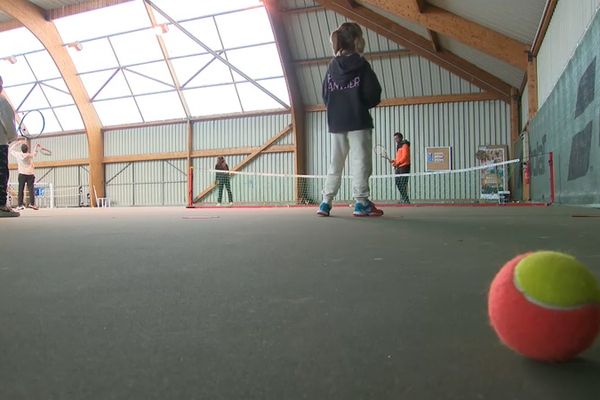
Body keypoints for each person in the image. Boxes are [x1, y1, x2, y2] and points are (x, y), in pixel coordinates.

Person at [317, 22, 383, 217]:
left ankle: (325, 202)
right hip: (358, 121)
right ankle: (361, 202)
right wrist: (359, 104)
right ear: (357, 40)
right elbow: (373, 93)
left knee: (335, 163)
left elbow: (325, 95)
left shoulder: (331, 68)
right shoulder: (362, 65)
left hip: (336, 123)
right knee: (360, 161)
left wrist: (338, 108)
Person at [0, 75, 20, 217]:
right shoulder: (2, 101)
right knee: (1, 174)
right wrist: (13, 137)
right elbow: (8, 122)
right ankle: (1, 206)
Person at [9, 138, 40, 210]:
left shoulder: (18, 155)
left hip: (22, 174)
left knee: (20, 190)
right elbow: (34, 153)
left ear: (21, 149)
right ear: (27, 149)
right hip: (30, 174)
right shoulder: (30, 155)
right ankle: (32, 204)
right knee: (31, 189)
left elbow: (10, 150)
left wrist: (18, 143)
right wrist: (36, 146)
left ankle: (20, 205)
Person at [391, 132, 411, 204]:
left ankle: (405, 199)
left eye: (396, 138)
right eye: (394, 139)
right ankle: (405, 198)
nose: (395, 140)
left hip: (404, 167)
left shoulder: (405, 145)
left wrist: (397, 163)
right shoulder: (398, 146)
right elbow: (399, 157)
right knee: (398, 182)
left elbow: (405, 157)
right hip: (399, 167)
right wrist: (394, 161)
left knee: (403, 183)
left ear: (400, 138)